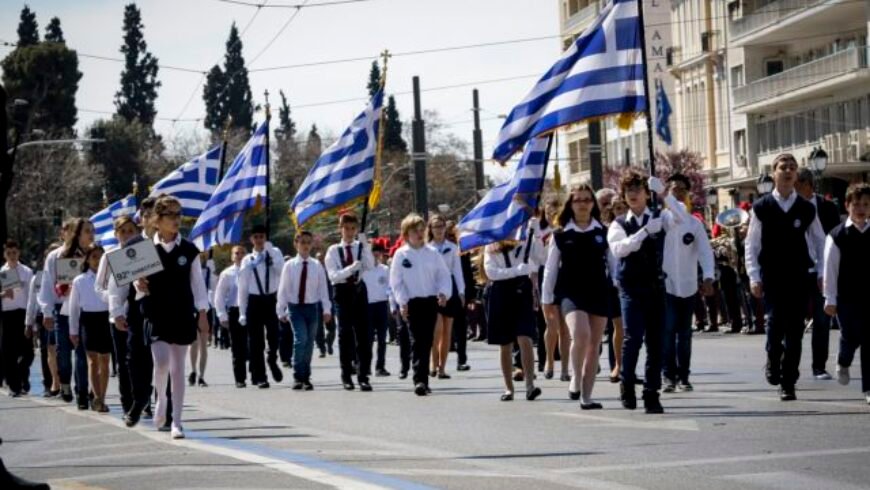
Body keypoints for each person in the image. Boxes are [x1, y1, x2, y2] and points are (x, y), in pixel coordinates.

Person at [746, 153, 826, 401]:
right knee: (774, 325)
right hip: (772, 276)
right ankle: (773, 358)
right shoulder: (762, 207)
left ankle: (788, 382)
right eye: (783, 167)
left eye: (793, 167)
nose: (789, 171)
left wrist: (823, 272)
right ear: (774, 173)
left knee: (795, 331)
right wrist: (753, 276)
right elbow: (752, 245)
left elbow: (820, 242)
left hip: (799, 276)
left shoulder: (806, 207)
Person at [607, 171, 681, 414]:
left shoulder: (660, 216)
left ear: (646, 193)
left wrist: (664, 194)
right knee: (633, 337)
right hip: (630, 287)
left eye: (638, 189)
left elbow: (682, 217)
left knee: (656, 343)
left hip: (656, 286)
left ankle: (652, 392)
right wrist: (644, 232)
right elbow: (620, 249)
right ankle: (627, 383)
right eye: (629, 190)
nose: (633, 194)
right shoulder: (619, 223)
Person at [136, 196, 209, 438]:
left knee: (178, 369)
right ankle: (160, 400)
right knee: (161, 362)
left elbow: (198, 284)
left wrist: (202, 313)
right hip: (156, 313)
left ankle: (176, 421)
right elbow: (132, 284)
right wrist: (139, 283)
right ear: (157, 220)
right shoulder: (144, 250)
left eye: (179, 214)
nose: (176, 220)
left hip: (182, 313)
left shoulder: (189, 250)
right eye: (170, 215)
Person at [543, 184, 612, 409]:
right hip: (571, 292)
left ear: (593, 203)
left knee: (594, 344)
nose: (582, 204)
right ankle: (574, 376)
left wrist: (620, 284)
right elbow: (551, 269)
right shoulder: (561, 233)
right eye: (577, 200)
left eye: (586, 199)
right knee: (581, 335)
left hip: (598, 290)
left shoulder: (602, 231)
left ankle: (587, 396)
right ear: (570, 205)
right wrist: (546, 299)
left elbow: (613, 264)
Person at [659, 174, 715, 393]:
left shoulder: (694, 223)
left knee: (684, 335)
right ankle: (668, 376)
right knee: (667, 332)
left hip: (688, 285)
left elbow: (705, 252)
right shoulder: (661, 219)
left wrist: (708, 276)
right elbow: (675, 214)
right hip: (666, 286)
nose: (678, 192)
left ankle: (684, 376)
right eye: (674, 189)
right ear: (668, 192)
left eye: (682, 189)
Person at [390, 213, 451, 396]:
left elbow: (443, 275)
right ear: (406, 233)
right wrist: (402, 301)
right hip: (412, 303)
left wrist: (443, 293)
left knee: (427, 340)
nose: (418, 234)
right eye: (414, 231)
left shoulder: (432, 253)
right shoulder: (401, 255)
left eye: (421, 230)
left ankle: (423, 377)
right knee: (417, 340)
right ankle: (420, 379)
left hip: (430, 301)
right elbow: (396, 281)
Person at [110, 197, 158, 427]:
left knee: (163, 359)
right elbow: (117, 286)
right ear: (143, 219)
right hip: (136, 311)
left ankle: (165, 411)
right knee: (134, 359)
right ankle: (141, 397)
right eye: (147, 216)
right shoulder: (131, 247)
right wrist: (117, 312)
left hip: (163, 311)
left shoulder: (167, 244)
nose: (151, 220)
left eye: (156, 215)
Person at [40, 218, 95, 407]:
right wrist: (46, 311)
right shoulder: (56, 256)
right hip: (62, 310)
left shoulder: (94, 255)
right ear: (77, 233)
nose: (91, 235)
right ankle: (64, 383)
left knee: (82, 352)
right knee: (63, 353)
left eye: (92, 231)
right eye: (88, 231)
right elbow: (47, 284)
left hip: (85, 310)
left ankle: (82, 393)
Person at [823, 182, 870, 405]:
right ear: (847, 205)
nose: (861, 209)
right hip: (847, 297)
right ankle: (843, 361)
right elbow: (830, 269)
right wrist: (829, 298)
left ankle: (868, 388)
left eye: (866, 205)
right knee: (851, 336)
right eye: (857, 204)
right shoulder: (837, 236)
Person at [483, 234, 543, 402]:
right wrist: (515, 271)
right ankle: (508, 388)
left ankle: (530, 385)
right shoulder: (491, 246)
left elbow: (539, 257)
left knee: (525, 337)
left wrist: (536, 234)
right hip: (501, 293)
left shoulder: (524, 241)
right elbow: (491, 272)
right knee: (505, 343)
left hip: (522, 290)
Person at [795, 168, 842, 380]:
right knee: (794, 321)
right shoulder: (789, 207)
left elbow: (835, 238)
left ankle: (819, 367)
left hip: (821, 269)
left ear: (807, 184)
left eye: (798, 183)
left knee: (822, 321)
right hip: (797, 270)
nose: (794, 187)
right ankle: (790, 366)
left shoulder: (826, 206)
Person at [325, 213, 375, 391]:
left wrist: (365, 245)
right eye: (346, 228)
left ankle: (363, 375)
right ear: (341, 229)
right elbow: (333, 276)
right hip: (342, 291)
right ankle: (346, 374)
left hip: (359, 291)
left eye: (353, 228)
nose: (349, 232)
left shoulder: (360, 247)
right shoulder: (333, 251)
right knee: (345, 334)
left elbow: (370, 265)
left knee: (364, 335)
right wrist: (350, 269)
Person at [277, 231, 332, 391]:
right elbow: (283, 289)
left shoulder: (316, 266)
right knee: (300, 339)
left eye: (308, 242)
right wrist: (281, 309)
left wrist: (326, 309)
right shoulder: (289, 265)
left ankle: (306, 376)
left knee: (309, 343)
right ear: (296, 244)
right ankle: (297, 375)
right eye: (302, 242)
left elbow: (323, 289)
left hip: (312, 308)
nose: (306, 245)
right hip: (295, 308)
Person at [95, 216, 138, 414]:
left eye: (131, 230)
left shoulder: (144, 252)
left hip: (140, 312)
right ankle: (127, 401)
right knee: (123, 360)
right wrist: (115, 303)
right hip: (118, 316)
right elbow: (99, 287)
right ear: (116, 234)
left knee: (141, 360)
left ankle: (141, 399)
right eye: (123, 231)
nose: (127, 235)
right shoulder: (109, 255)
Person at [238, 224, 285, 389]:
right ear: (251, 239)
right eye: (256, 237)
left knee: (274, 336)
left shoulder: (275, 253)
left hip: (271, 300)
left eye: (262, 237)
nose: (259, 240)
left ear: (266, 238)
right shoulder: (247, 260)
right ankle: (260, 376)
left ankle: (272, 359)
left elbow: (282, 272)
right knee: (256, 342)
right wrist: (242, 311)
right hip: (254, 302)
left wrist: (271, 254)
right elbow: (243, 287)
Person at [68, 244, 112, 413]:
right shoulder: (79, 280)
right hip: (88, 320)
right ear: (87, 259)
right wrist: (73, 331)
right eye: (94, 256)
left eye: (101, 257)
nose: (97, 260)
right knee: (93, 361)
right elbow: (73, 308)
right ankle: (97, 398)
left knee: (105, 360)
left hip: (106, 319)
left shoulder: (110, 277)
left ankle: (102, 396)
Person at [426, 214, 465, 379]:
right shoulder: (427, 248)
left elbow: (457, 271)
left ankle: (442, 368)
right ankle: (433, 364)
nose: (439, 230)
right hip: (433, 288)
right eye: (436, 227)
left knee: (447, 331)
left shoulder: (453, 247)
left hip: (450, 287)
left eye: (441, 226)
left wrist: (462, 291)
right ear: (431, 229)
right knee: (436, 330)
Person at [600, 194, 628, 383]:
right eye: (617, 208)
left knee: (629, 329)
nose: (621, 211)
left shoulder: (637, 227)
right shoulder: (609, 231)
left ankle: (626, 365)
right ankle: (617, 365)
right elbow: (610, 260)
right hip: (613, 284)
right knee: (616, 326)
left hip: (633, 282)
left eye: (623, 207)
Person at [1, 240, 34, 397]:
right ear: (5, 255)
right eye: (9, 253)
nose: (12, 256)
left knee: (28, 352)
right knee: (9, 352)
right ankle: (14, 385)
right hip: (8, 314)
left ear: (18, 253)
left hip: (23, 313)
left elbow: (32, 295)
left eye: (14, 253)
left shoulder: (27, 272)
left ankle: (22, 376)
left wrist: (32, 318)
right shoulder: (2, 272)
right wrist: (3, 294)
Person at [27, 246, 59, 397]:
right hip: (43, 316)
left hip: (60, 312)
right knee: (47, 350)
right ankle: (49, 383)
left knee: (61, 351)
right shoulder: (37, 277)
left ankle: (61, 381)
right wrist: (30, 322)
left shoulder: (65, 272)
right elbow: (32, 301)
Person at [216, 245, 247, 388]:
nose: (239, 255)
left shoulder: (252, 271)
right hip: (234, 312)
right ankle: (240, 378)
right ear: (232, 256)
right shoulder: (227, 274)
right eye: (236, 253)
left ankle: (258, 374)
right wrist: (222, 315)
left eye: (242, 253)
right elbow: (220, 296)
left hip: (250, 310)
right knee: (237, 346)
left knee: (255, 344)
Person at [362, 242, 391, 377]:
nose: (376, 254)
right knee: (367, 339)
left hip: (381, 305)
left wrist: (392, 304)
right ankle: (366, 366)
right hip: (367, 307)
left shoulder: (385, 269)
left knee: (382, 338)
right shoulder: (364, 270)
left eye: (379, 251)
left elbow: (390, 288)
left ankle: (380, 367)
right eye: (374, 251)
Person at [189, 252, 216, 387]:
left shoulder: (208, 270)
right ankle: (193, 370)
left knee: (203, 344)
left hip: (206, 308)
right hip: (191, 308)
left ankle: (202, 375)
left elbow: (213, 287)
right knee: (194, 343)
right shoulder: (188, 270)